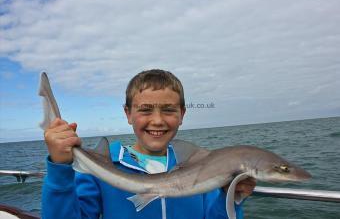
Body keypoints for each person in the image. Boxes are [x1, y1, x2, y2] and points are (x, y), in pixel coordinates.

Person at [42, 69, 256, 219]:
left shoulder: (202, 167)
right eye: (145, 110)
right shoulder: (102, 168)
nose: (157, 120)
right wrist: (60, 169)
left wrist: (230, 198)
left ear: (182, 114)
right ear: (128, 114)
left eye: (169, 110)